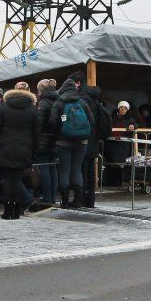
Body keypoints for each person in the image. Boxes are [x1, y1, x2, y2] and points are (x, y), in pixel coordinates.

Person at [0, 86, 38, 219]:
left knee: (8, 180)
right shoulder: (32, 110)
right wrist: (34, 152)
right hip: (25, 149)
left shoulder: (5, 108)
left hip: (6, 147)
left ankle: (7, 211)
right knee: (17, 179)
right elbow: (36, 133)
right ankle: (17, 211)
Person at [49, 76, 93, 208]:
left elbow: (52, 122)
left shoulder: (59, 102)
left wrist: (60, 132)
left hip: (63, 142)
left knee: (65, 170)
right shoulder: (82, 102)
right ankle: (78, 201)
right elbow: (92, 121)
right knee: (77, 170)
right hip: (81, 142)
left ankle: (65, 201)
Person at [79, 81, 110, 208]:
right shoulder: (97, 103)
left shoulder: (84, 101)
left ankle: (81, 200)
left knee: (82, 172)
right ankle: (90, 201)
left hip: (85, 141)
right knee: (91, 173)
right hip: (95, 142)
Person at [33, 79, 59, 207]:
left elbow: (39, 123)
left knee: (44, 168)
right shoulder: (58, 99)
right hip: (55, 139)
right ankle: (53, 196)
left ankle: (47, 197)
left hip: (43, 139)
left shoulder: (43, 102)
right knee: (53, 167)